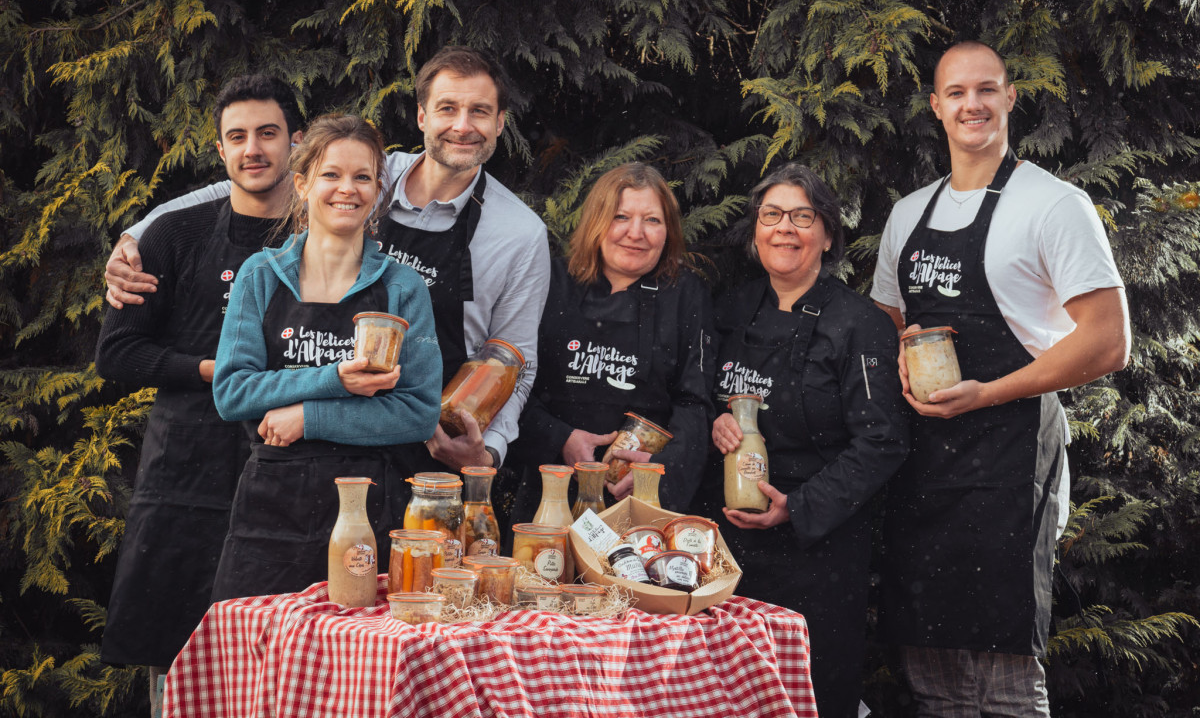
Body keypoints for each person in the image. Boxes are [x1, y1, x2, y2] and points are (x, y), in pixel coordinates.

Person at [104, 46, 550, 475]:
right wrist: (137, 234)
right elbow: (248, 184)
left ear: (500, 122)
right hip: (304, 435)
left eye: (480, 111)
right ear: (421, 116)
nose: (462, 126)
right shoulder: (372, 171)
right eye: (448, 108)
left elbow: (515, 359)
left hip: (428, 439)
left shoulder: (518, 232)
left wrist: (486, 451)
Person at [872, 40, 1129, 716]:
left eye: (986, 89)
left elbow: (1108, 340)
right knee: (929, 663)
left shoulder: (1053, 205)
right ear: (936, 106)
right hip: (925, 461)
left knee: (1006, 672)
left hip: (1011, 454)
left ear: (1011, 97)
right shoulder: (908, 215)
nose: (972, 104)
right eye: (956, 93)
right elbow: (883, 328)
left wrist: (987, 392)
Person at [95, 74, 303, 706]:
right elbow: (118, 353)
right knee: (172, 649)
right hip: (182, 468)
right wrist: (217, 373)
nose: (253, 150)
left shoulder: (327, 239)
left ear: (296, 140)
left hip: (284, 469)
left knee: (279, 658)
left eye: (268, 133)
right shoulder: (172, 235)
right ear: (220, 151)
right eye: (236, 137)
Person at [702, 164, 908, 718]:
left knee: (811, 693)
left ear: (828, 234)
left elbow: (882, 441)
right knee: (727, 693)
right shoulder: (727, 312)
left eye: (802, 217)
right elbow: (693, 398)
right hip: (726, 549)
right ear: (754, 231)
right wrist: (715, 423)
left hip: (818, 548)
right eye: (771, 215)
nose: (784, 229)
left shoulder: (859, 323)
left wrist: (799, 507)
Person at [209, 113, 441, 600]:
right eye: (331, 175)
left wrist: (309, 417)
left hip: (370, 507)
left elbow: (418, 413)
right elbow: (232, 392)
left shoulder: (402, 287)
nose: (347, 189)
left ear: (378, 192)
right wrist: (334, 378)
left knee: (360, 663)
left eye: (363, 177)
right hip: (270, 510)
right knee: (260, 661)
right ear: (301, 183)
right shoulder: (261, 275)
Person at [511, 162, 715, 515]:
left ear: (668, 232)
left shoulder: (686, 295)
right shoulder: (551, 281)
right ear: (596, 221)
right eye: (621, 217)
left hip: (641, 498)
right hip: (551, 489)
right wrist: (559, 437)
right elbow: (512, 380)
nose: (636, 233)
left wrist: (659, 471)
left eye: (652, 220)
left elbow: (695, 403)